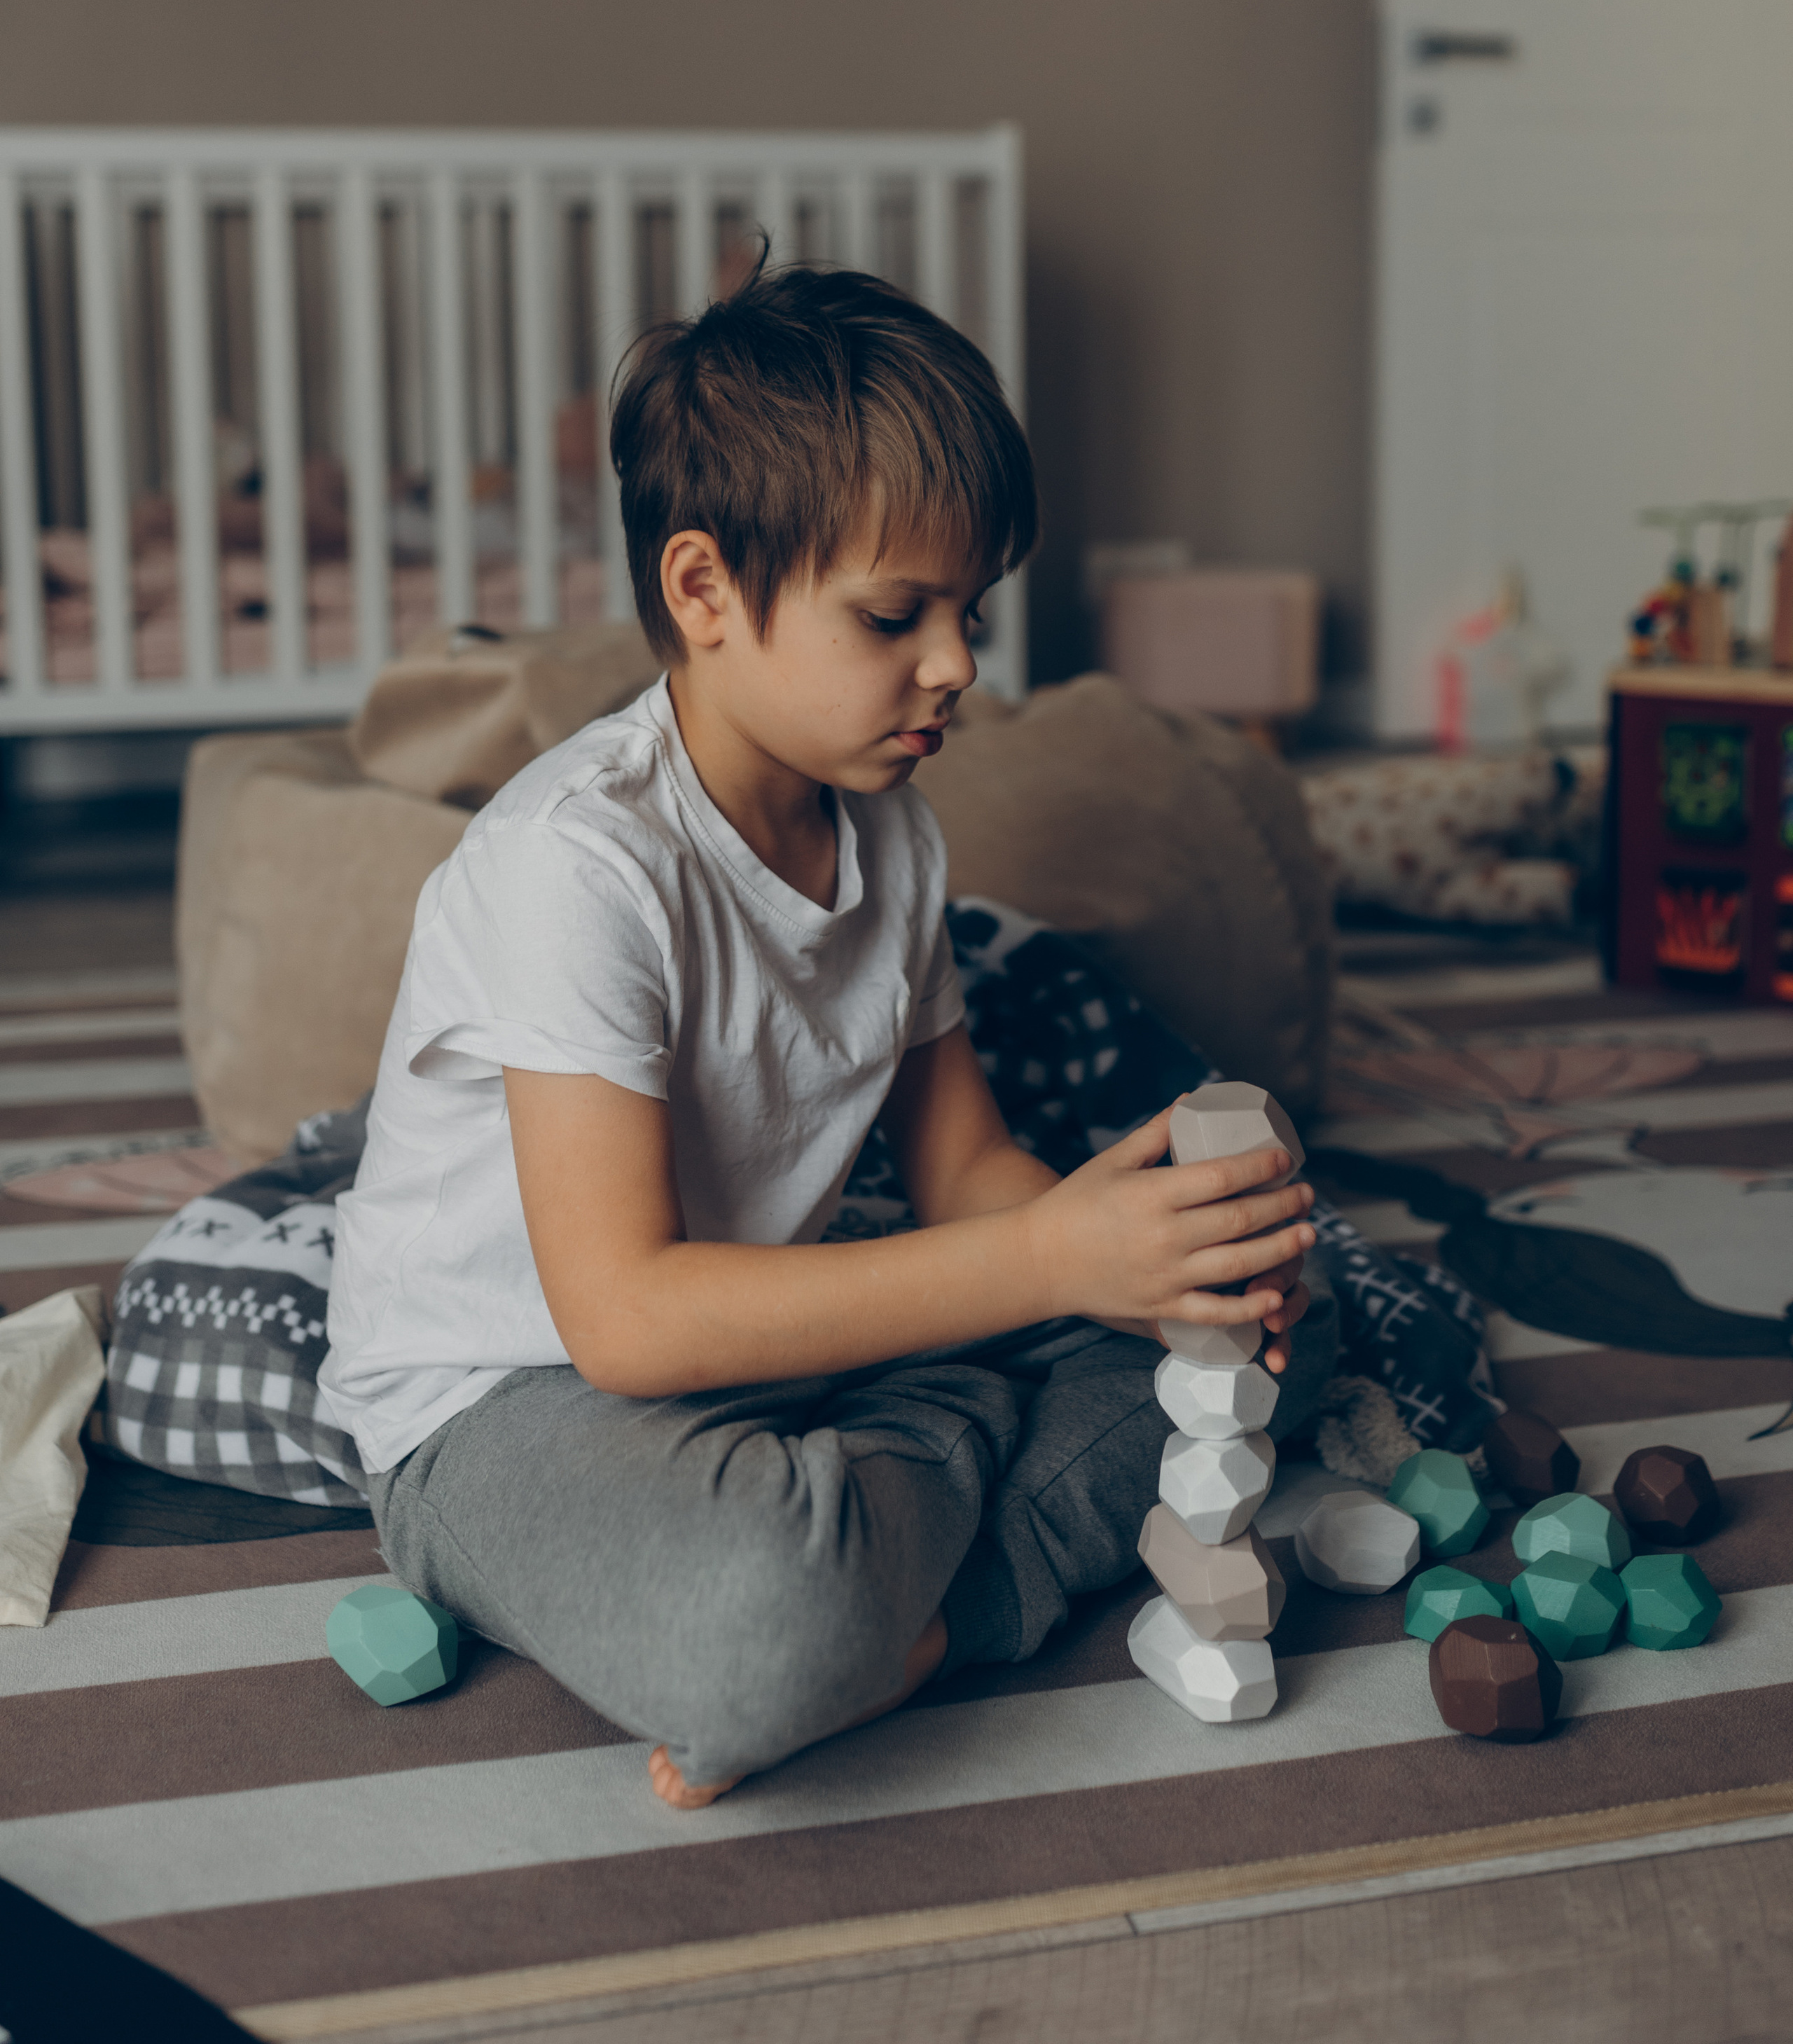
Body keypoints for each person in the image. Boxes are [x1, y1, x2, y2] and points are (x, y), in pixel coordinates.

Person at [318, 258, 1322, 1808]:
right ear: (705, 591)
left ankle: (898, 1570)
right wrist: (1051, 1271)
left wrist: (1139, 1257)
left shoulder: (891, 835)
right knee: (757, 1623)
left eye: (967, 608)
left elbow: (964, 1165)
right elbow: (627, 1326)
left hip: (783, 1361)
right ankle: (925, 1564)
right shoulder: (580, 866)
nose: (958, 664)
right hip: (508, 1404)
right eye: (893, 613)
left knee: (1266, 1346)